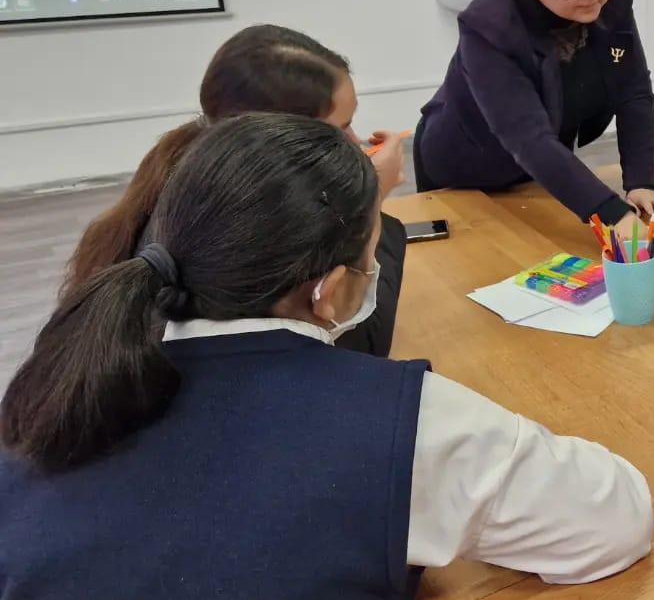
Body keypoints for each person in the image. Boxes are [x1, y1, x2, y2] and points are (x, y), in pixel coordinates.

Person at [0, 114, 653, 600]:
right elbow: (613, 518)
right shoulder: (400, 424)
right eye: (371, 258)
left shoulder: (56, 393)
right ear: (330, 291)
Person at [62, 24, 408, 358]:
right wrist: (369, 201)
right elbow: (359, 345)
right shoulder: (248, 231)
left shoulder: (198, 183)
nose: (355, 142)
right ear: (281, 137)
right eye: (340, 130)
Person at [416, 0, 654, 238]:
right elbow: (529, 138)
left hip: (542, 171)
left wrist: (641, 180)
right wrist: (612, 214)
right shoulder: (489, 25)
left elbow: (633, 89)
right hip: (466, 171)